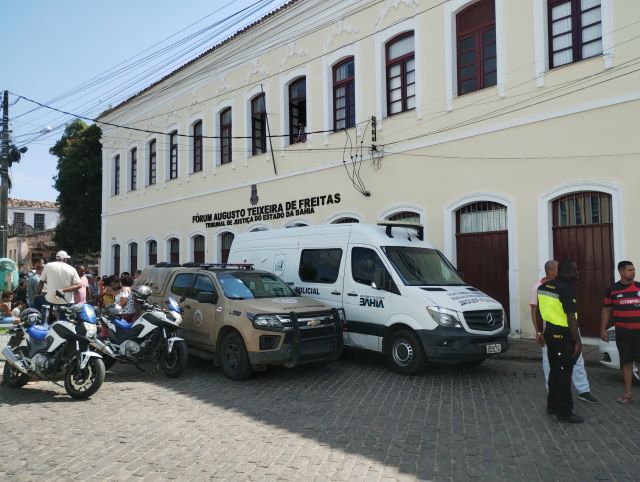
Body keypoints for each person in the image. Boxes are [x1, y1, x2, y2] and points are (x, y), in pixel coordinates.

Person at [530, 260, 597, 404]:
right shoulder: (540, 287)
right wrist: (539, 332)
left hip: (560, 330)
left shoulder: (558, 286)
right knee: (554, 365)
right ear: (551, 271)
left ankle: (583, 391)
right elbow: (536, 310)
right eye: (557, 268)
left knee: (576, 362)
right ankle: (556, 398)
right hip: (561, 330)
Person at [535, 259, 584, 423]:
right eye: (575, 269)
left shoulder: (542, 288)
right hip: (564, 335)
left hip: (550, 333)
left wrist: (540, 331)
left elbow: (539, 312)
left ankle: (552, 406)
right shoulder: (566, 289)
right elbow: (571, 318)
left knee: (555, 370)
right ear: (567, 271)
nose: (577, 272)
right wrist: (577, 341)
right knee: (563, 374)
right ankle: (564, 412)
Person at [601, 260, 640, 404]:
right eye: (630, 270)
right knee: (627, 362)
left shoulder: (639, 287)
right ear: (621, 272)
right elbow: (606, 309)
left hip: (639, 332)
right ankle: (628, 394)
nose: (633, 272)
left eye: (634, 269)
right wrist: (603, 329)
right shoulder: (612, 290)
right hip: (623, 332)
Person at [37, 250, 82, 320]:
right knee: (65, 324)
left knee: (47, 324)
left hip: (50, 301)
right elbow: (79, 285)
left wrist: (39, 294)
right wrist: (63, 290)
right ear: (65, 259)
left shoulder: (48, 266)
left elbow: (41, 283)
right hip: (66, 302)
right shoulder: (71, 269)